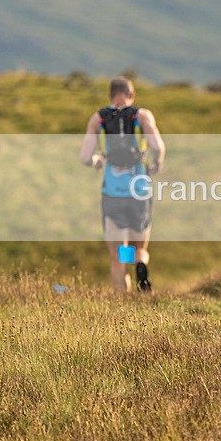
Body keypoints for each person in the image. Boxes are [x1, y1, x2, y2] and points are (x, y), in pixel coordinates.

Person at [79, 77, 165, 292]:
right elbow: (158, 146)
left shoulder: (99, 118)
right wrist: (156, 163)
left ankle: (123, 303)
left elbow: (84, 156)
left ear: (110, 96)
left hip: (112, 193)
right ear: (131, 94)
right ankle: (141, 264)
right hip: (139, 191)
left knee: (119, 254)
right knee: (139, 248)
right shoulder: (142, 116)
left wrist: (97, 160)